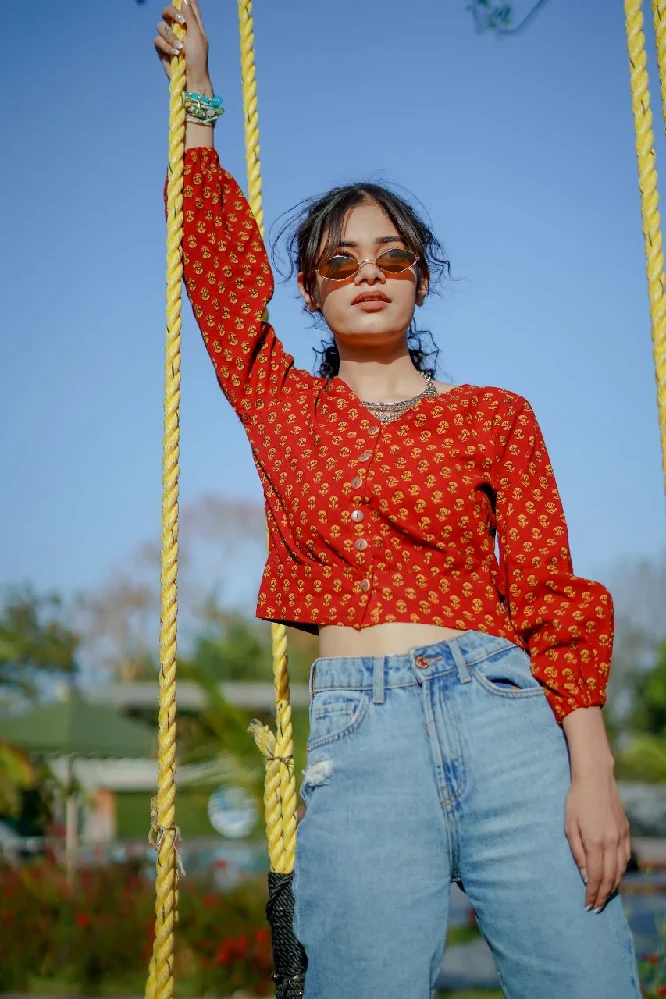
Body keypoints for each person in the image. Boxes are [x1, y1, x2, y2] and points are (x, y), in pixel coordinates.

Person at [154, 5, 642, 997]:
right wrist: (197, 102)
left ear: (422, 278)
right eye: (340, 260)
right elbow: (212, 267)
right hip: (358, 739)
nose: (367, 274)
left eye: (391, 257)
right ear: (309, 289)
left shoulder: (497, 417)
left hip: (508, 720)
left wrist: (592, 769)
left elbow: (549, 591)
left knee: (588, 982)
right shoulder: (280, 402)